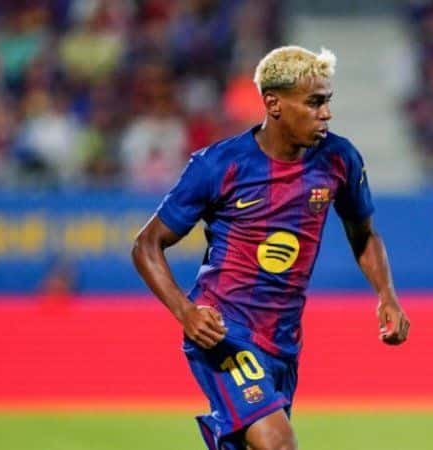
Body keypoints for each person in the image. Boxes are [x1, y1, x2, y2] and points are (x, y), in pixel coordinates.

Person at [132, 45, 410, 450]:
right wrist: (185, 311)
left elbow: (363, 233)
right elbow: (147, 244)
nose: (326, 114)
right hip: (224, 329)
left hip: (283, 340)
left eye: (327, 101)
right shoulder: (219, 165)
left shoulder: (339, 159)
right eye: (314, 103)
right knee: (278, 443)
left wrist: (386, 295)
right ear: (274, 104)